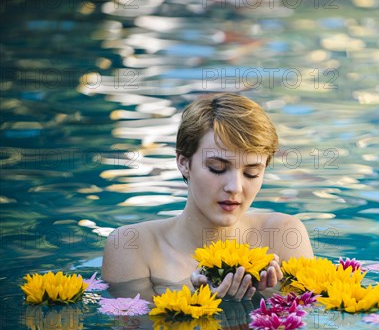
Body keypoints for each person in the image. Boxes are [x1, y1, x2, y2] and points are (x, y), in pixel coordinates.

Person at [102, 93, 314, 302]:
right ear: (184, 163)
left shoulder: (284, 236)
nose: (235, 187)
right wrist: (198, 304)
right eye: (217, 168)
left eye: (251, 173)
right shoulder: (131, 246)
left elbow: (305, 326)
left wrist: (273, 294)